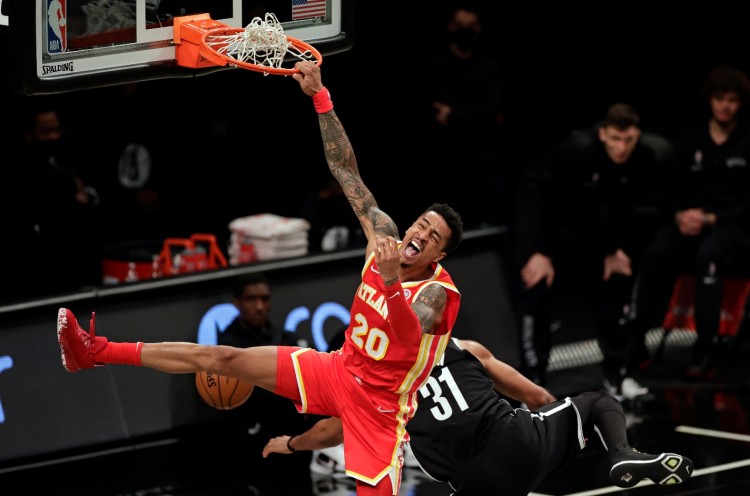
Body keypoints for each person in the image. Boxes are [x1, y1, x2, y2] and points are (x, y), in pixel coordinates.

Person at [56, 60, 464, 496]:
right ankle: (93, 351)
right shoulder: (383, 235)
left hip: (381, 408)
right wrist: (320, 98)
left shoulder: (437, 293)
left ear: (439, 254)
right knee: (223, 358)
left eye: (433, 236)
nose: (421, 234)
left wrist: (390, 282)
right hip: (338, 369)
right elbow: (346, 171)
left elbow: (407, 334)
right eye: (422, 224)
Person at [262, 337, 694, 495]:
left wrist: (291, 445)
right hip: (517, 440)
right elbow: (537, 396)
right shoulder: (462, 347)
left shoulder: (373, 390)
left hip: (473, 482)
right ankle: (621, 453)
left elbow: (328, 432)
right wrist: (558, 433)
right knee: (596, 402)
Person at [512, 103, 671, 395]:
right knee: (534, 282)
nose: (621, 147)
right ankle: (533, 384)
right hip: (543, 204)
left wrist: (615, 251)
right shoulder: (578, 150)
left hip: (587, 215)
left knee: (615, 279)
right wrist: (542, 253)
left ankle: (617, 373)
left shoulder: (644, 156)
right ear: (603, 134)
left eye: (628, 140)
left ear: (637, 135)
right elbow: (557, 204)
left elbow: (626, 206)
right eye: (615, 139)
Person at [624, 64, 750, 380]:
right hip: (689, 220)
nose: (725, 106)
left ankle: (706, 347)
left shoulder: (748, 141)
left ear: (740, 104)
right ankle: (636, 340)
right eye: (719, 98)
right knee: (655, 253)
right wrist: (680, 214)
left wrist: (712, 218)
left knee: (708, 256)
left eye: (732, 100)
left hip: (730, 224)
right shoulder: (691, 139)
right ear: (710, 100)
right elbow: (671, 188)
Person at [195, 272, 320, 495]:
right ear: (237, 303)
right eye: (251, 299)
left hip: (294, 442)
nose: (259, 306)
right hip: (254, 447)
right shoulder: (227, 350)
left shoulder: (286, 338)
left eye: (264, 298)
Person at [2, 104, 101, 304]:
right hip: (40, 268)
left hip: (78, 260)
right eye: (46, 132)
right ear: (30, 135)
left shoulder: (69, 155)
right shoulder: (20, 169)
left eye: (56, 130)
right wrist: (71, 199)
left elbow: (92, 185)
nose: (54, 137)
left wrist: (86, 196)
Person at [422, 2, 509, 228]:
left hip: (485, 154)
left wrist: (455, 114)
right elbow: (437, 113)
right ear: (450, 26)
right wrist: (478, 115)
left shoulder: (489, 66)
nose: (466, 31)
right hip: (447, 158)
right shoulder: (436, 66)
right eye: (460, 25)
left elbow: (493, 109)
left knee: (492, 215)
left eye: (472, 25)